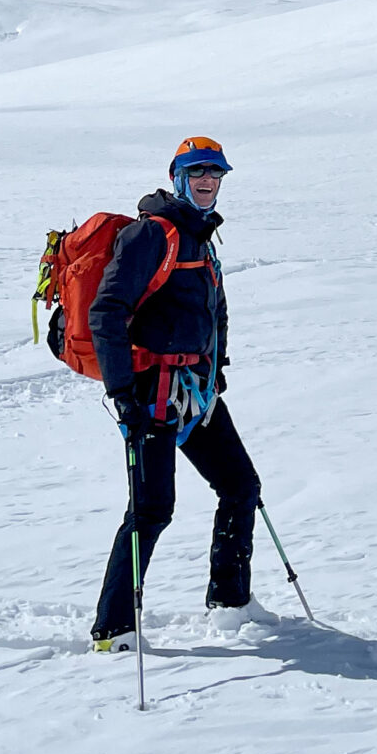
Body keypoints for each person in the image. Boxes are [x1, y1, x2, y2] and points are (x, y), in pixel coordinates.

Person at [89, 134, 261, 650]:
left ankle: (231, 607)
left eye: (216, 173)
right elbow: (106, 312)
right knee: (151, 510)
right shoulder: (153, 234)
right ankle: (113, 629)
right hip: (150, 393)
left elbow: (211, 310)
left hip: (197, 389)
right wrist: (122, 392)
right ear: (178, 177)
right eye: (199, 172)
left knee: (241, 486)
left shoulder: (201, 233)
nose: (209, 181)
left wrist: (216, 366)